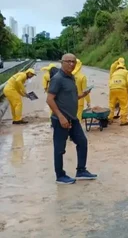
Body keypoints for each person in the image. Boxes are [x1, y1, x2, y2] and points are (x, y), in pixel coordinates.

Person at [46, 53, 96, 184]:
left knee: (82, 142)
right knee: (59, 149)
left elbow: (70, 97)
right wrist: (61, 117)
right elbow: (49, 99)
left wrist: (82, 95)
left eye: (73, 62)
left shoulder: (71, 77)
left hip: (72, 119)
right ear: (61, 62)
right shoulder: (57, 79)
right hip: (60, 120)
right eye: (68, 61)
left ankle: (81, 170)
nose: (71, 64)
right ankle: (60, 176)